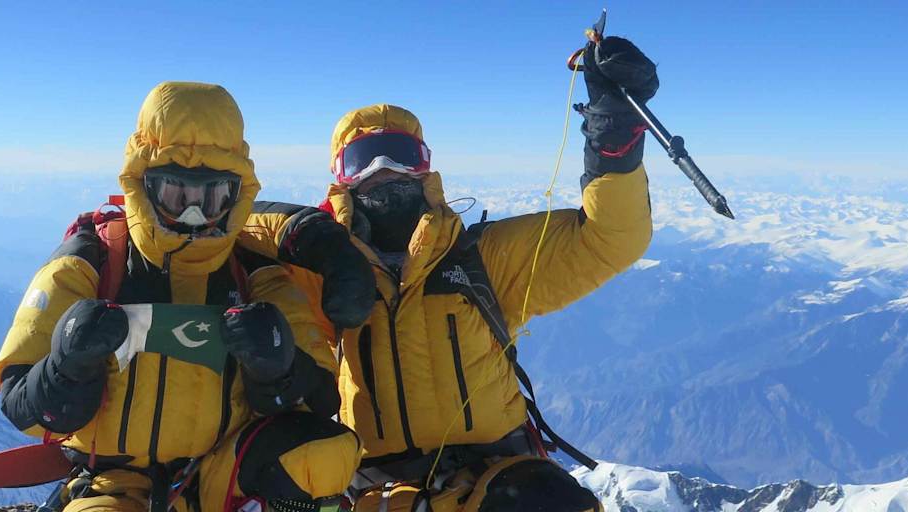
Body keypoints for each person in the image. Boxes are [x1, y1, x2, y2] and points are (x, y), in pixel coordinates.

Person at [236, 38, 658, 511]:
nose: (384, 169)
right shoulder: (321, 270)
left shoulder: (483, 257)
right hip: (381, 489)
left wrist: (612, 135)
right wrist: (302, 229)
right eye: (363, 161)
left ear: (424, 167)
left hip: (500, 479)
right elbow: (227, 229)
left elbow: (612, 237)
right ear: (342, 179)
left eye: (400, 154)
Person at [0, 82, 360, 512]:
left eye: (213, 197)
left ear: (236, 195)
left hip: (222, 475)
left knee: (324, 453)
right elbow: (21, 408)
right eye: (175, 194)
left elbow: (321, 401)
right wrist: (67, 366)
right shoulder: (91, 263)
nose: (194, 214)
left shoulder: (257, 276)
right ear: (143, 185)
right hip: (115, 481)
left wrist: (278, 368)